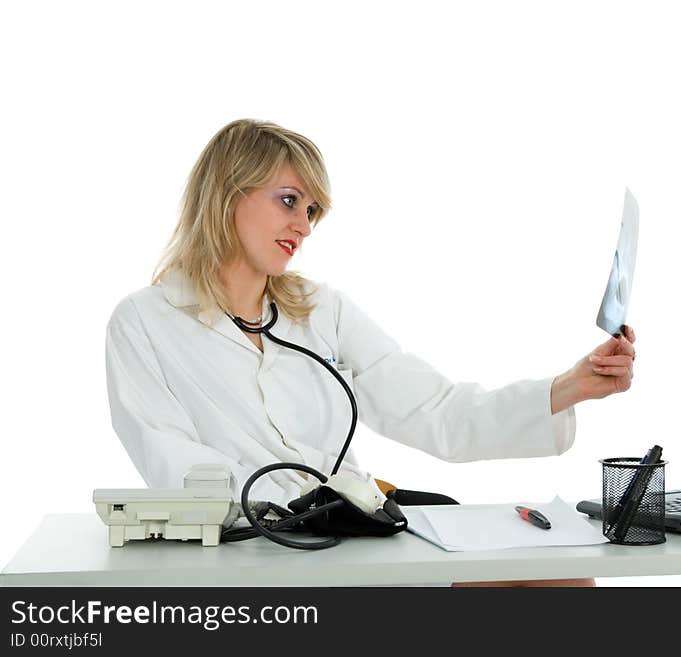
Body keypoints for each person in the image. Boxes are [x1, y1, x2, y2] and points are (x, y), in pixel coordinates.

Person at [105, 118, 637, 587]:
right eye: (289, 200)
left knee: (562, 579)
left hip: (353, 544)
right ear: (226, 192)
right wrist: (293, 509)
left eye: (312, 210)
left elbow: (436, 411)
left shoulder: (320, 310)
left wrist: (571, 385)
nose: (304, 226)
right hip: (255, 563)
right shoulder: (145, 322)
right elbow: (172, 461)